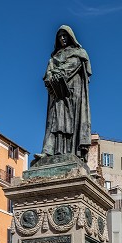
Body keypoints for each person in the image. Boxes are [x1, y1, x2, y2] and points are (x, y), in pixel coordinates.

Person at [36, 25, 92, 162]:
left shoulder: (79, 53)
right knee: (53, 121)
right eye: (60, 36)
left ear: (70, 36)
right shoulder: (54, 57)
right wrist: (50, 76)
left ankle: (71, 153)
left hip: (72, 94)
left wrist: (57, 72)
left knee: (70, 123)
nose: (62, 38)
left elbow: (72, 66)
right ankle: (49, 151)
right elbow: (47, 75)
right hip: (56, 93)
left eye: (65, 35)